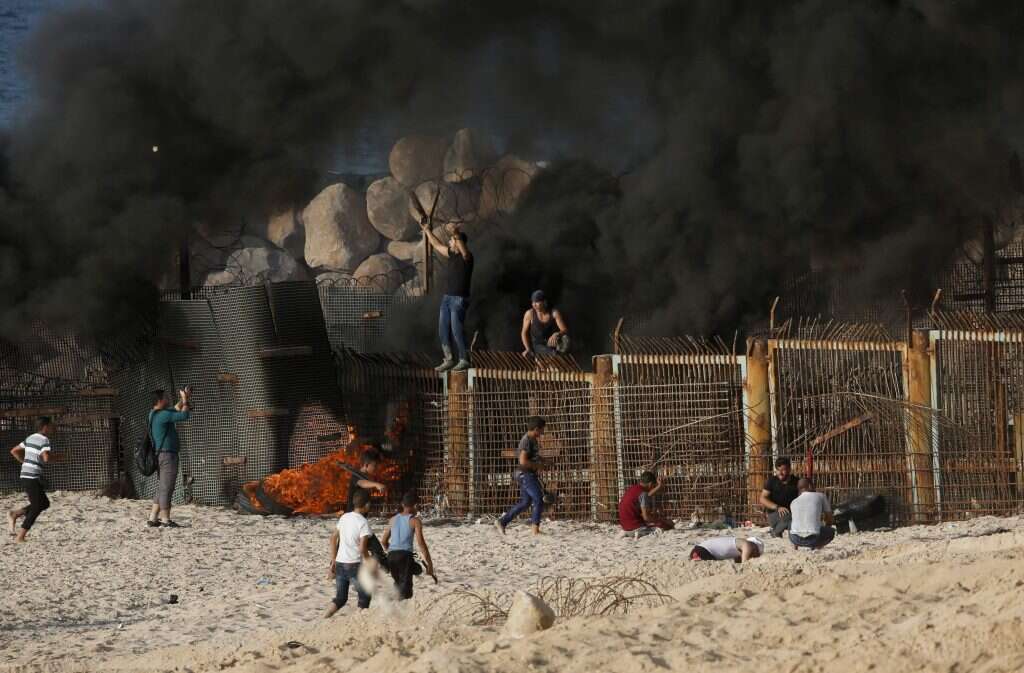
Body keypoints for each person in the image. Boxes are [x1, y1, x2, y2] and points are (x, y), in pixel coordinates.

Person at [421, 220, 473, 373]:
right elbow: (436, 245)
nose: (449, 242)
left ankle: (464, 359)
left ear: (458, 243)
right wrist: (427, 231)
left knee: (456, 329)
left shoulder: (467, 258)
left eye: (452, 241)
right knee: (443, 329)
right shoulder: (451, 255)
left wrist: (455, 233)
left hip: (459, 299)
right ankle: (449, 359)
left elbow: (463, 251)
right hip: (447, 299)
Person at [147, 387, 191, 528]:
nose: (167, 400)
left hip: (161, 454)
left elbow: (174, 409)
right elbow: (184, 415)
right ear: (160, 401)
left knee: (162, 487)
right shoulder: (162, 415)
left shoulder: (154, 414)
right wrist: (184, 401)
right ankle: (165, 520)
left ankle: (153, 518)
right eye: (165, 398)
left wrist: (185, 398)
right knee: (167, 487)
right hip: (168, 456)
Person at [325, 490, 373, 617]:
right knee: (365, 595)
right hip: (354, 564)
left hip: (340, 563)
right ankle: (358, 621)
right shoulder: (363, 522)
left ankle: (325, 617)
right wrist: (369, 562)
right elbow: (363, 548)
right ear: (366, 505)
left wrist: (333, 560)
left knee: (340, 598)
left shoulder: (344, 517)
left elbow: (332, 538)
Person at [495, 416, 546, 536]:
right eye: (542, 429)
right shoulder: (527, 440)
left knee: (526, 502)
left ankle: (502, 522)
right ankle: (535, 530)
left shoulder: (532, 439)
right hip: (525, 474)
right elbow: (523, 461)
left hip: (525, 474)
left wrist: (544, 460)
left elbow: (531, 457)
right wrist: (538, 466)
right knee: (538, 499)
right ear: (536, 429)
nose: (543, 432)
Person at [7, 417, 55, 543]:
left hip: (25, 475)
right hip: (32, 477)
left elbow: (14, 451)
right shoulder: (44, 439)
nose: (52, 428)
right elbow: (46, 458)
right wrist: (61, 457)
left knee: (44, 503)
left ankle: (16, 514)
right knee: (37, 506)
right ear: (45, 426)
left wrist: (25, 462)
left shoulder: (30, 437)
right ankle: (20, 536)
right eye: (51, 426)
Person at [381, 491, 435, 600]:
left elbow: (383, 541)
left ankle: (393, 606)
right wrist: (430, 565)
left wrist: (392, 552)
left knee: (398, 584)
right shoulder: (415, 521)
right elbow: (421, 544)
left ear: (402, 504)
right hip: (405, 557)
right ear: (415, 505)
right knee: (406, 593)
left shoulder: (392, 520)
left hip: (391, 556)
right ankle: (397, 608)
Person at [618, 471, 674, 536]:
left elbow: (647, 495)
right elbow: (646, 517)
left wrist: (659, 487)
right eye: (653, 486)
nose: (653, 487)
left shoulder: (633, 489)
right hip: (636, 528)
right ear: (650, 484)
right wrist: (662, 522)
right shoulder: (643, 494)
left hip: (625, 528)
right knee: (665, 526)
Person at [789, 478, 836, 550]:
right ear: (810, 486)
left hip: (795, 539)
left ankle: (795, 547)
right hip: (813, 539)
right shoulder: (821, 496)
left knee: (791, 523)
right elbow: (829, 518)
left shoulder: (793, 502)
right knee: (831, 531)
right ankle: (818, 546)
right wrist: (827, 526)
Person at [520, 290, 569, 358]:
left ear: (544, 302)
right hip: (537, 345)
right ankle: (550, 359)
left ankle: (558, 359)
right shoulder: (530, 314)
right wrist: (528, 349)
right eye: (533, 302)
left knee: (565, 339)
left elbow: (565, 330)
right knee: (553, 354)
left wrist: (557, 334)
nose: (534, 304)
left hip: (550, 343)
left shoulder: (554, 313)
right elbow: (523, 333)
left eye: (537, 302)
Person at [760, 456, 799, 537]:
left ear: (789, 469)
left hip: (793, 513)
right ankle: (775, 532)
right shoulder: (771, 481)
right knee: (789, 517)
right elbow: (763, 498)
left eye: (783, 470)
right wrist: (778, 507)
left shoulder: (797, 481)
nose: (780, 473)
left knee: (794, 520)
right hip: (775, 513)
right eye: (778, 470)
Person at [690, 536, 765, 563]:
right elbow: (744, 564)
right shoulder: (747, 544)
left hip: (700, 551)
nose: (754, 557)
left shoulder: (740, 548)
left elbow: (737, 561)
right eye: (757, 554)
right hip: (701, 552)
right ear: (755, 547)